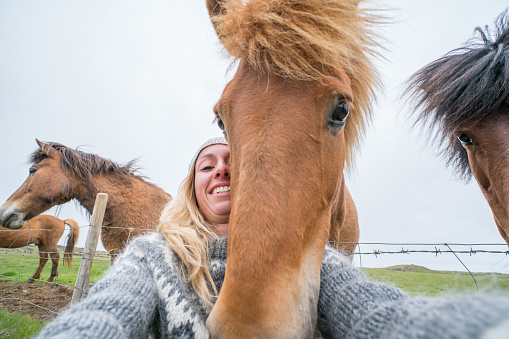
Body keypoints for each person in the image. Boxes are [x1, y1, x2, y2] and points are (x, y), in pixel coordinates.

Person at [37, 137, 509, 339]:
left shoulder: (306, 259)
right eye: (207, 165)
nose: (222, 169)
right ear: (193, 187)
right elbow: (107, 313)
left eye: (233, 164)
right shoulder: (151, 255)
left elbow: (376, 313)